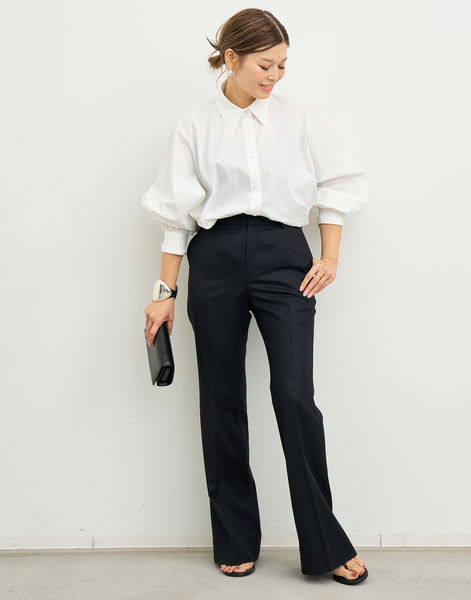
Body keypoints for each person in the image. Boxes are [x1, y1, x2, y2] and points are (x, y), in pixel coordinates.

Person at [143, 8, 368, 585]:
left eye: (283, 65)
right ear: (231, 58)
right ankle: (235, 537)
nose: (276, 76)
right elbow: (176, 216)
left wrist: (329, 256)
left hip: (283, 256)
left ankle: (326, 543)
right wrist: (164, 293)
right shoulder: (195, 124)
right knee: (220, 398)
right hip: (215, 259)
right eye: (266, 65)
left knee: (295, 396)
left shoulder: (298, 117)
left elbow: (337, 185)